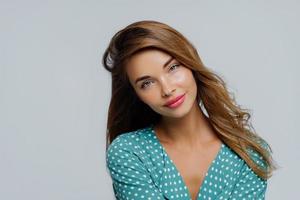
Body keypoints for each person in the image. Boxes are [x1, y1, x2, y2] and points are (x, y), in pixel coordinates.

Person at [102, 20, 276, 200]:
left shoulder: (248, 153)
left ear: (190, 64)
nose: (167, 89)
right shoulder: (129, 152)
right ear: (136, 94)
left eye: (173, 67)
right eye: (147, 83)